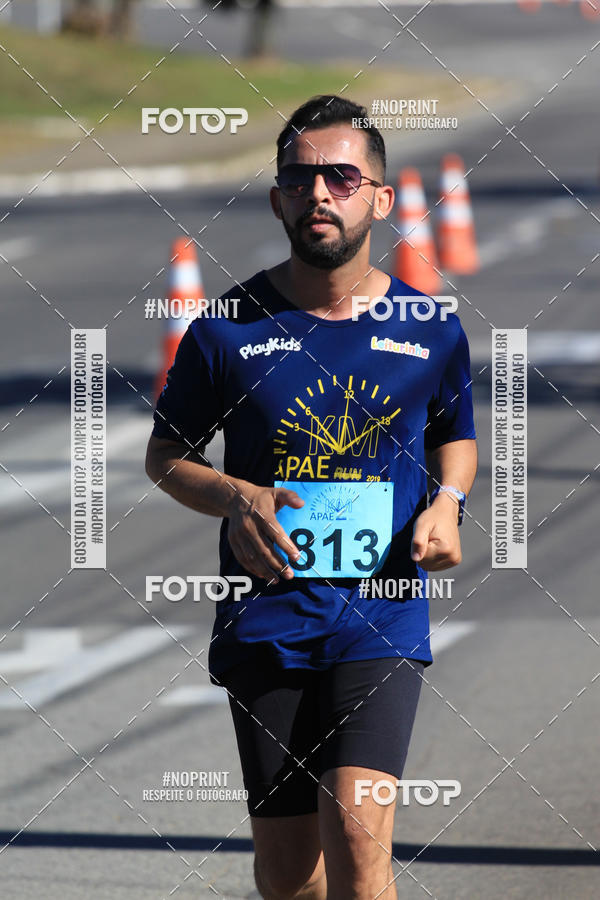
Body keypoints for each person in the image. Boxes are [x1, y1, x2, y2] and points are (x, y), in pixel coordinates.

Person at [145, 94, 477, 900]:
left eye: (339, 177)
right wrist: (237, 498)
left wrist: (448, 503)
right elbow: (166, 458)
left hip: (382, 610)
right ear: (276, 198)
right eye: (299, 179)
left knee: (361, 836)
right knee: (289, 873)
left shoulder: (429, 327)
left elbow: (453, 435)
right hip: (268, 621)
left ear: (380, 198)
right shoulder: (225, 331)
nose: (319, 193)